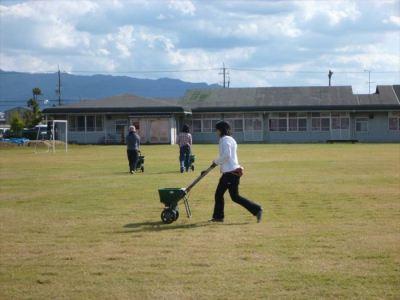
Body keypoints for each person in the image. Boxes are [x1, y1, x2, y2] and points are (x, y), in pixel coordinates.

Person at [209, 121, 263, 223]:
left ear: (221, 130)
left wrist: (215, 161)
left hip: (230, 173)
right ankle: (218, 217)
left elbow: (226, 155)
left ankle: (257, 209)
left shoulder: (224, 140)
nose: (216, 132)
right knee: (223, 195)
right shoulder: (231, 139)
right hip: (230, 172)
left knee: (233, 196)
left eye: (217, 130)